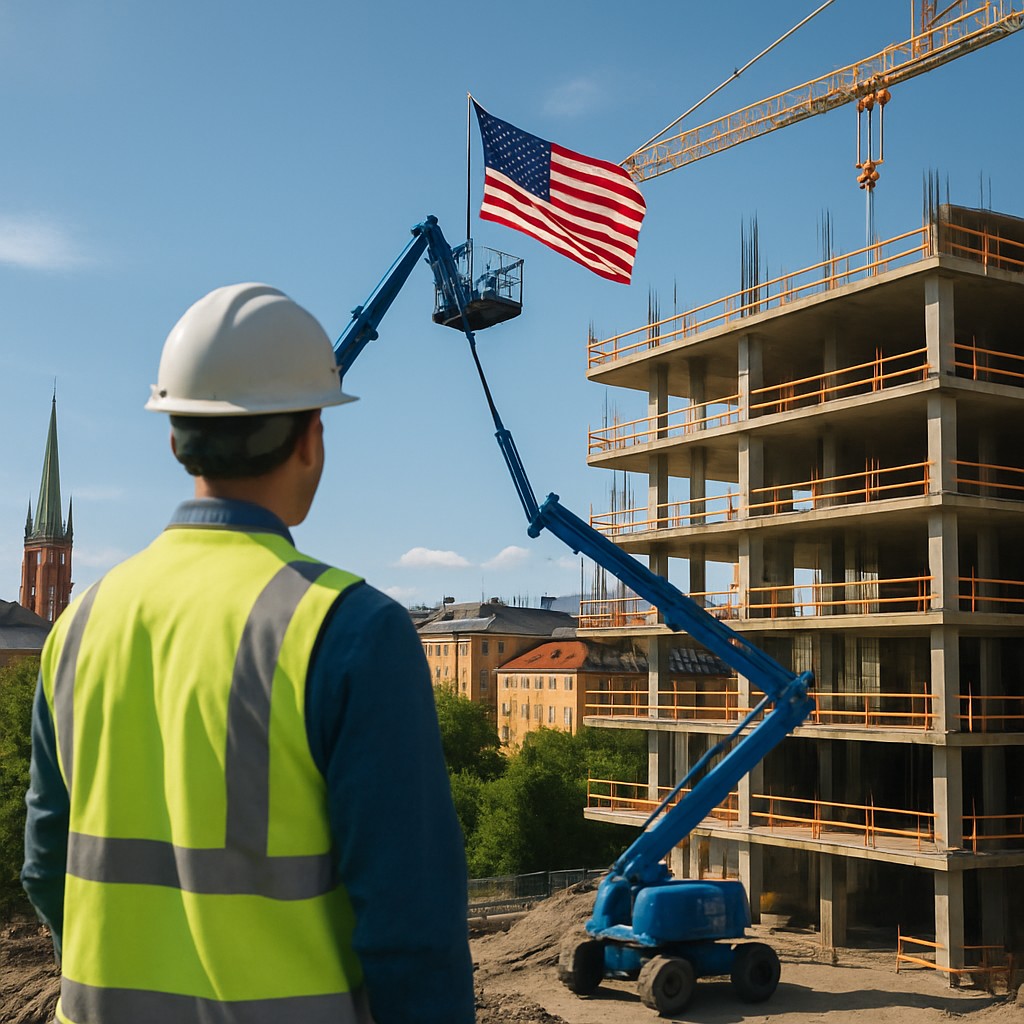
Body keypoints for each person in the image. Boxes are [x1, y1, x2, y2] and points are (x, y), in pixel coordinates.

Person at [22, 283, 476, 1024]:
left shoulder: (78, 625)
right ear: (310, 438)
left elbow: (47, 868)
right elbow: (413, 933)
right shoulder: (352, 630)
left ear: (175, 440)